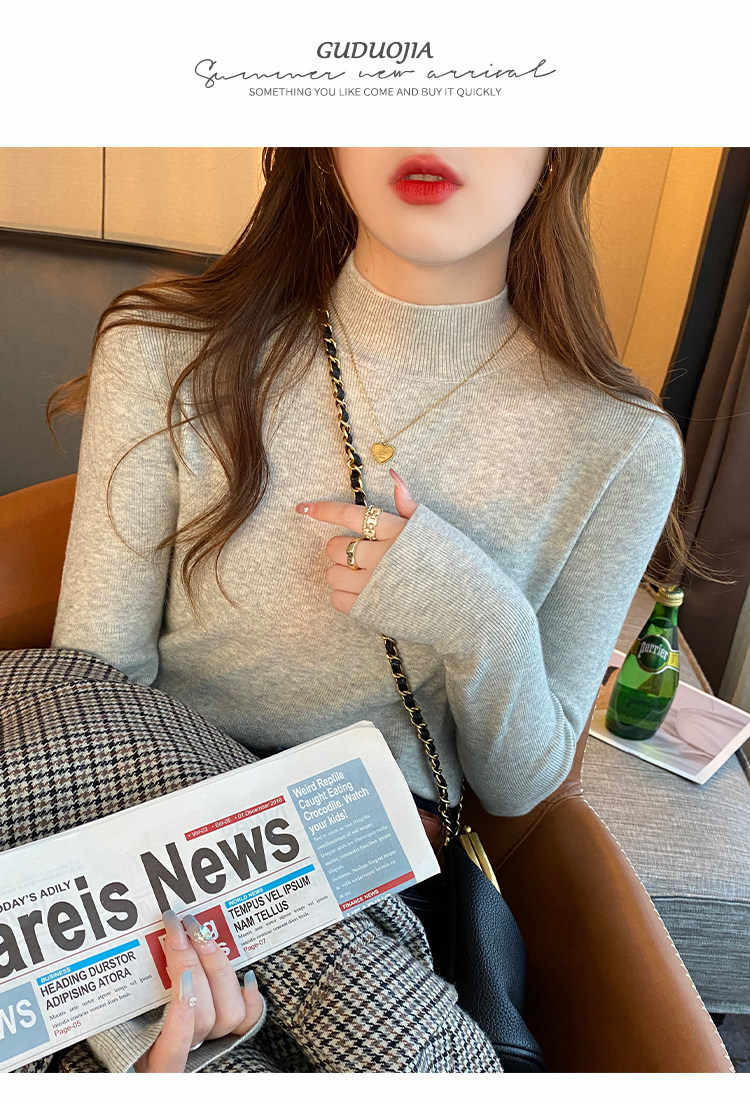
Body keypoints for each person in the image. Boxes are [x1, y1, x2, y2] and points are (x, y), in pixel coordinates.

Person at [46, 147, 685, 1071]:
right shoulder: (166, 348)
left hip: (371, 874)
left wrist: (483, 620)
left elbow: (523, 787)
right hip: (149, 823)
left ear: (558, 149)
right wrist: (112, 990)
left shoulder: (620, 444)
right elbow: (85, 693)